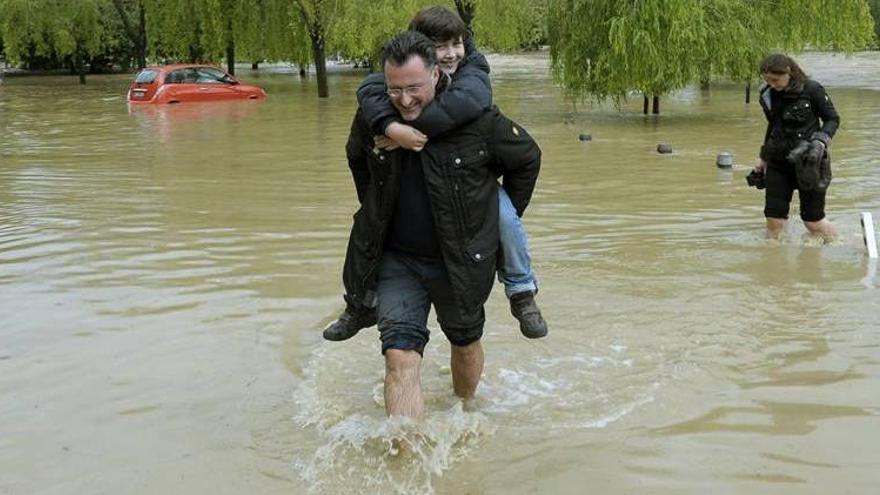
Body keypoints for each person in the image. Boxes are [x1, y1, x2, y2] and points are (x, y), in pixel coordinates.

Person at [341, 30, 541, 419]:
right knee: (399, 357)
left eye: (414, 87)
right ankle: (407, 456)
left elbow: (528, 159)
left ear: (436, 74)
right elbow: (356, 158)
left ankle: (464, 412)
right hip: (398, 261)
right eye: (394, 89)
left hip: (460, 262)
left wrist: (492, 219)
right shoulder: (375, 121)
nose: (404, 99)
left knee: (465, 343)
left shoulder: (479, 121)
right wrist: (375, 206)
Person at [323, 5, 547, 342]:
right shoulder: (389, 85)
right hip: (410, 223)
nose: (451, 53)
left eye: (457, 43)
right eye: (441, 45)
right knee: (372, 221)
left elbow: (474, 105)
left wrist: (409, 130)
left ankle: (521, 289)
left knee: (503, 216)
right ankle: (360, 304)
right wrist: (388, 125)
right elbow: (368, 101)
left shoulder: (473, 74)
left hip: (471, 187)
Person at [753, 53, 840, 241]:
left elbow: (832, 119)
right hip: (778, 162)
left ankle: (839, 243)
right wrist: (763, 157)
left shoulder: (813, 89)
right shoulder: (768, 95)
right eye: (768, 80)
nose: (773, 85)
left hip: (810, 163)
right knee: (774, 221)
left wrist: (820, 141)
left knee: (813, 222)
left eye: (776, 80)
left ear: (789, 72)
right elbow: (773, 126)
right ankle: (772, 264)